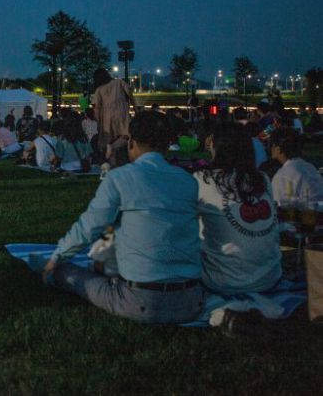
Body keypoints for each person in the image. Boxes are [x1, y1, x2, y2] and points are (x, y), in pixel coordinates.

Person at [43, 111, 202, 324]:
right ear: (166, 145)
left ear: (131, 143)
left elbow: (89, 227)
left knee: (65, 273)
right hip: (191, 299)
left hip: (141, 300)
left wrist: (56, 258)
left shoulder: (120, 177)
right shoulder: (188, 181)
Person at [196, 123, 281, 294]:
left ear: (217, 146)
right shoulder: (262, 179)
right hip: (270, 277)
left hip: (225, 282)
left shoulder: (204, 180)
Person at [92, 68, 135, 166]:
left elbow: (97, 107)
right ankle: (113, 147)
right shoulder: (119, 82)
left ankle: (112, 166)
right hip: (121, 114)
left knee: (109, 141)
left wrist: (99, 122)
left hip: (106, 118)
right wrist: (136, 109)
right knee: (126, 136)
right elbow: (130, 93)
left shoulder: (99, 89)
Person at [269, 127, 323, 201]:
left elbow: (279, 205)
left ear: (278, 149)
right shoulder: (309, 167)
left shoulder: (282, 176)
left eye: (271, 145)